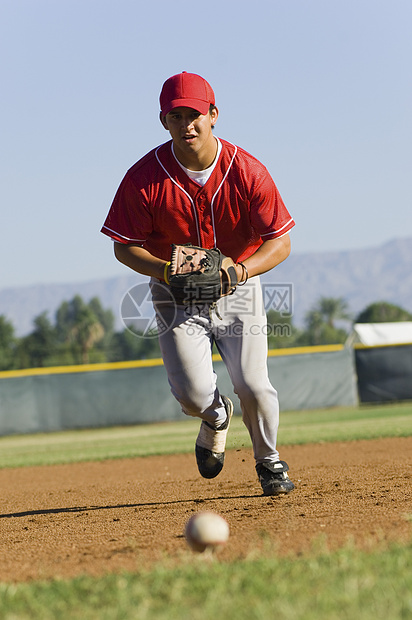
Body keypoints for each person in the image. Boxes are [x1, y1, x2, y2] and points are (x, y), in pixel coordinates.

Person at [101, 71, 296, 495]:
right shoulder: (143, 179)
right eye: (176, 116)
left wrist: (240, 271)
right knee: (190, 395)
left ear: (213, 115)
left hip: (237, 286)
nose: (187, 124)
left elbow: (279, 242)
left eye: (195, 114)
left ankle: (269, 462)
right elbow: (123, 246)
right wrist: (167, 272)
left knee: (253, 383)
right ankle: (215, 416)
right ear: (163, 121)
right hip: (174, 293)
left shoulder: (247, 172)